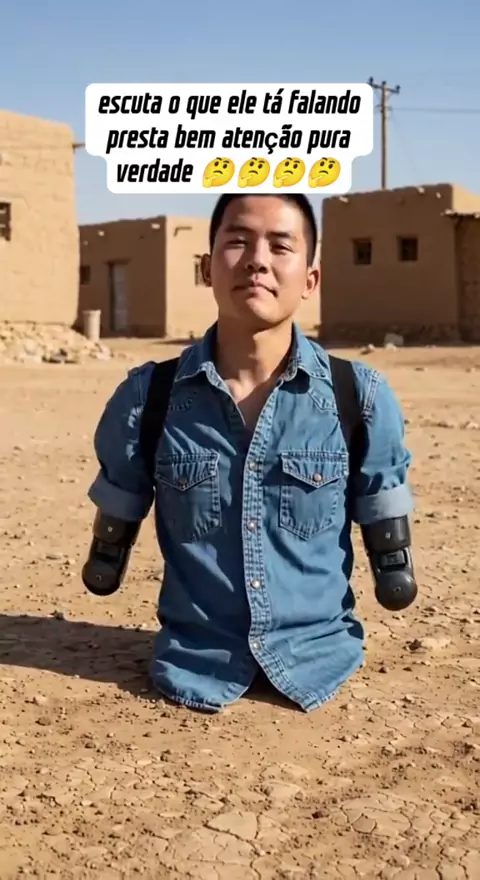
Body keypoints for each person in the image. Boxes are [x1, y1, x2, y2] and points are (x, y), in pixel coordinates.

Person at [84, 192, 415, 713]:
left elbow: (384, 509)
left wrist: (391, 562)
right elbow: (117, 508)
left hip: (320, 661)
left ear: (311, 279)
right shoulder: (148, 399)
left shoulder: (360, 397)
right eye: (237, 242)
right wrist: (108, 548)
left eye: (281, 246)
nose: (258, 260)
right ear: (206, 268)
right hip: (193, 663)